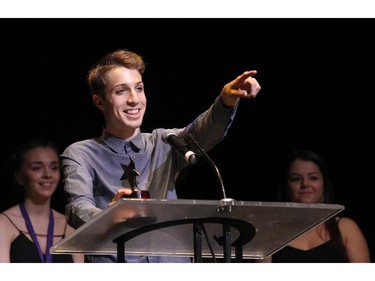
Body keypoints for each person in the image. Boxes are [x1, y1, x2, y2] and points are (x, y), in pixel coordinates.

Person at [61, 49, 261, 262]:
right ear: (99, 102)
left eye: (139, 88)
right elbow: (77, 208)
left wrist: (226, 101)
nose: (133, 99)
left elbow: (202, 133)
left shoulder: (164, 142)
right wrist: (109, 216)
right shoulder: (80, 153)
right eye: (121, 91)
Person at [257, 149, 370, 263]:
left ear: (323, 184)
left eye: (313, 178)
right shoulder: (271, 232)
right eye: (296, 179)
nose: (305, 184)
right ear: (286, 186)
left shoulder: (345, 228)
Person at [0, 138, 84, 263]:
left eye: (54, 168)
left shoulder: (71, 226)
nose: (48, 174)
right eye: (37, 168)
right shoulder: (4, 223)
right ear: (19, 177)